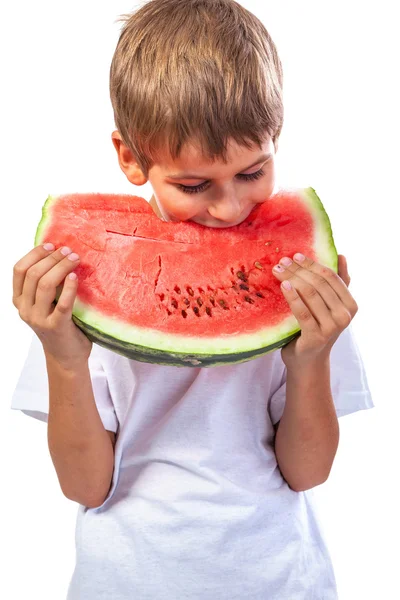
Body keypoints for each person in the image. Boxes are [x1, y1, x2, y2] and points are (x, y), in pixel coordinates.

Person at [11, 1, 374, 598]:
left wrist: (310, 358)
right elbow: (85, 486)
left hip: (278, 580)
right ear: (130, 157)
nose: (230, 208)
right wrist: (64, 357)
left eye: (253, 173)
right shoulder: (83, 285)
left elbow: (308, 472)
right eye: (193, 185)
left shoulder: (299, 283)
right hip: (126, 581)